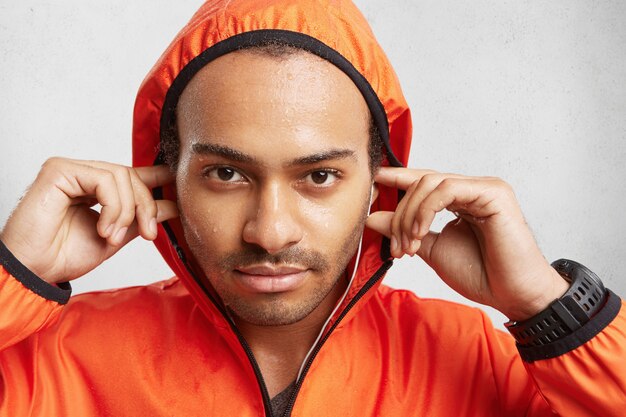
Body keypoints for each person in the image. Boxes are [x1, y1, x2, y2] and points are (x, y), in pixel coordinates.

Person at [0, 0, 624, 416]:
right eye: (225, 173)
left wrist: (548, 307)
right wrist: (13, 272)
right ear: (166, 179)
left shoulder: (483, 362)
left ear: (380, 185)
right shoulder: (55, 358)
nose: (270, 231)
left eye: (320, 175)